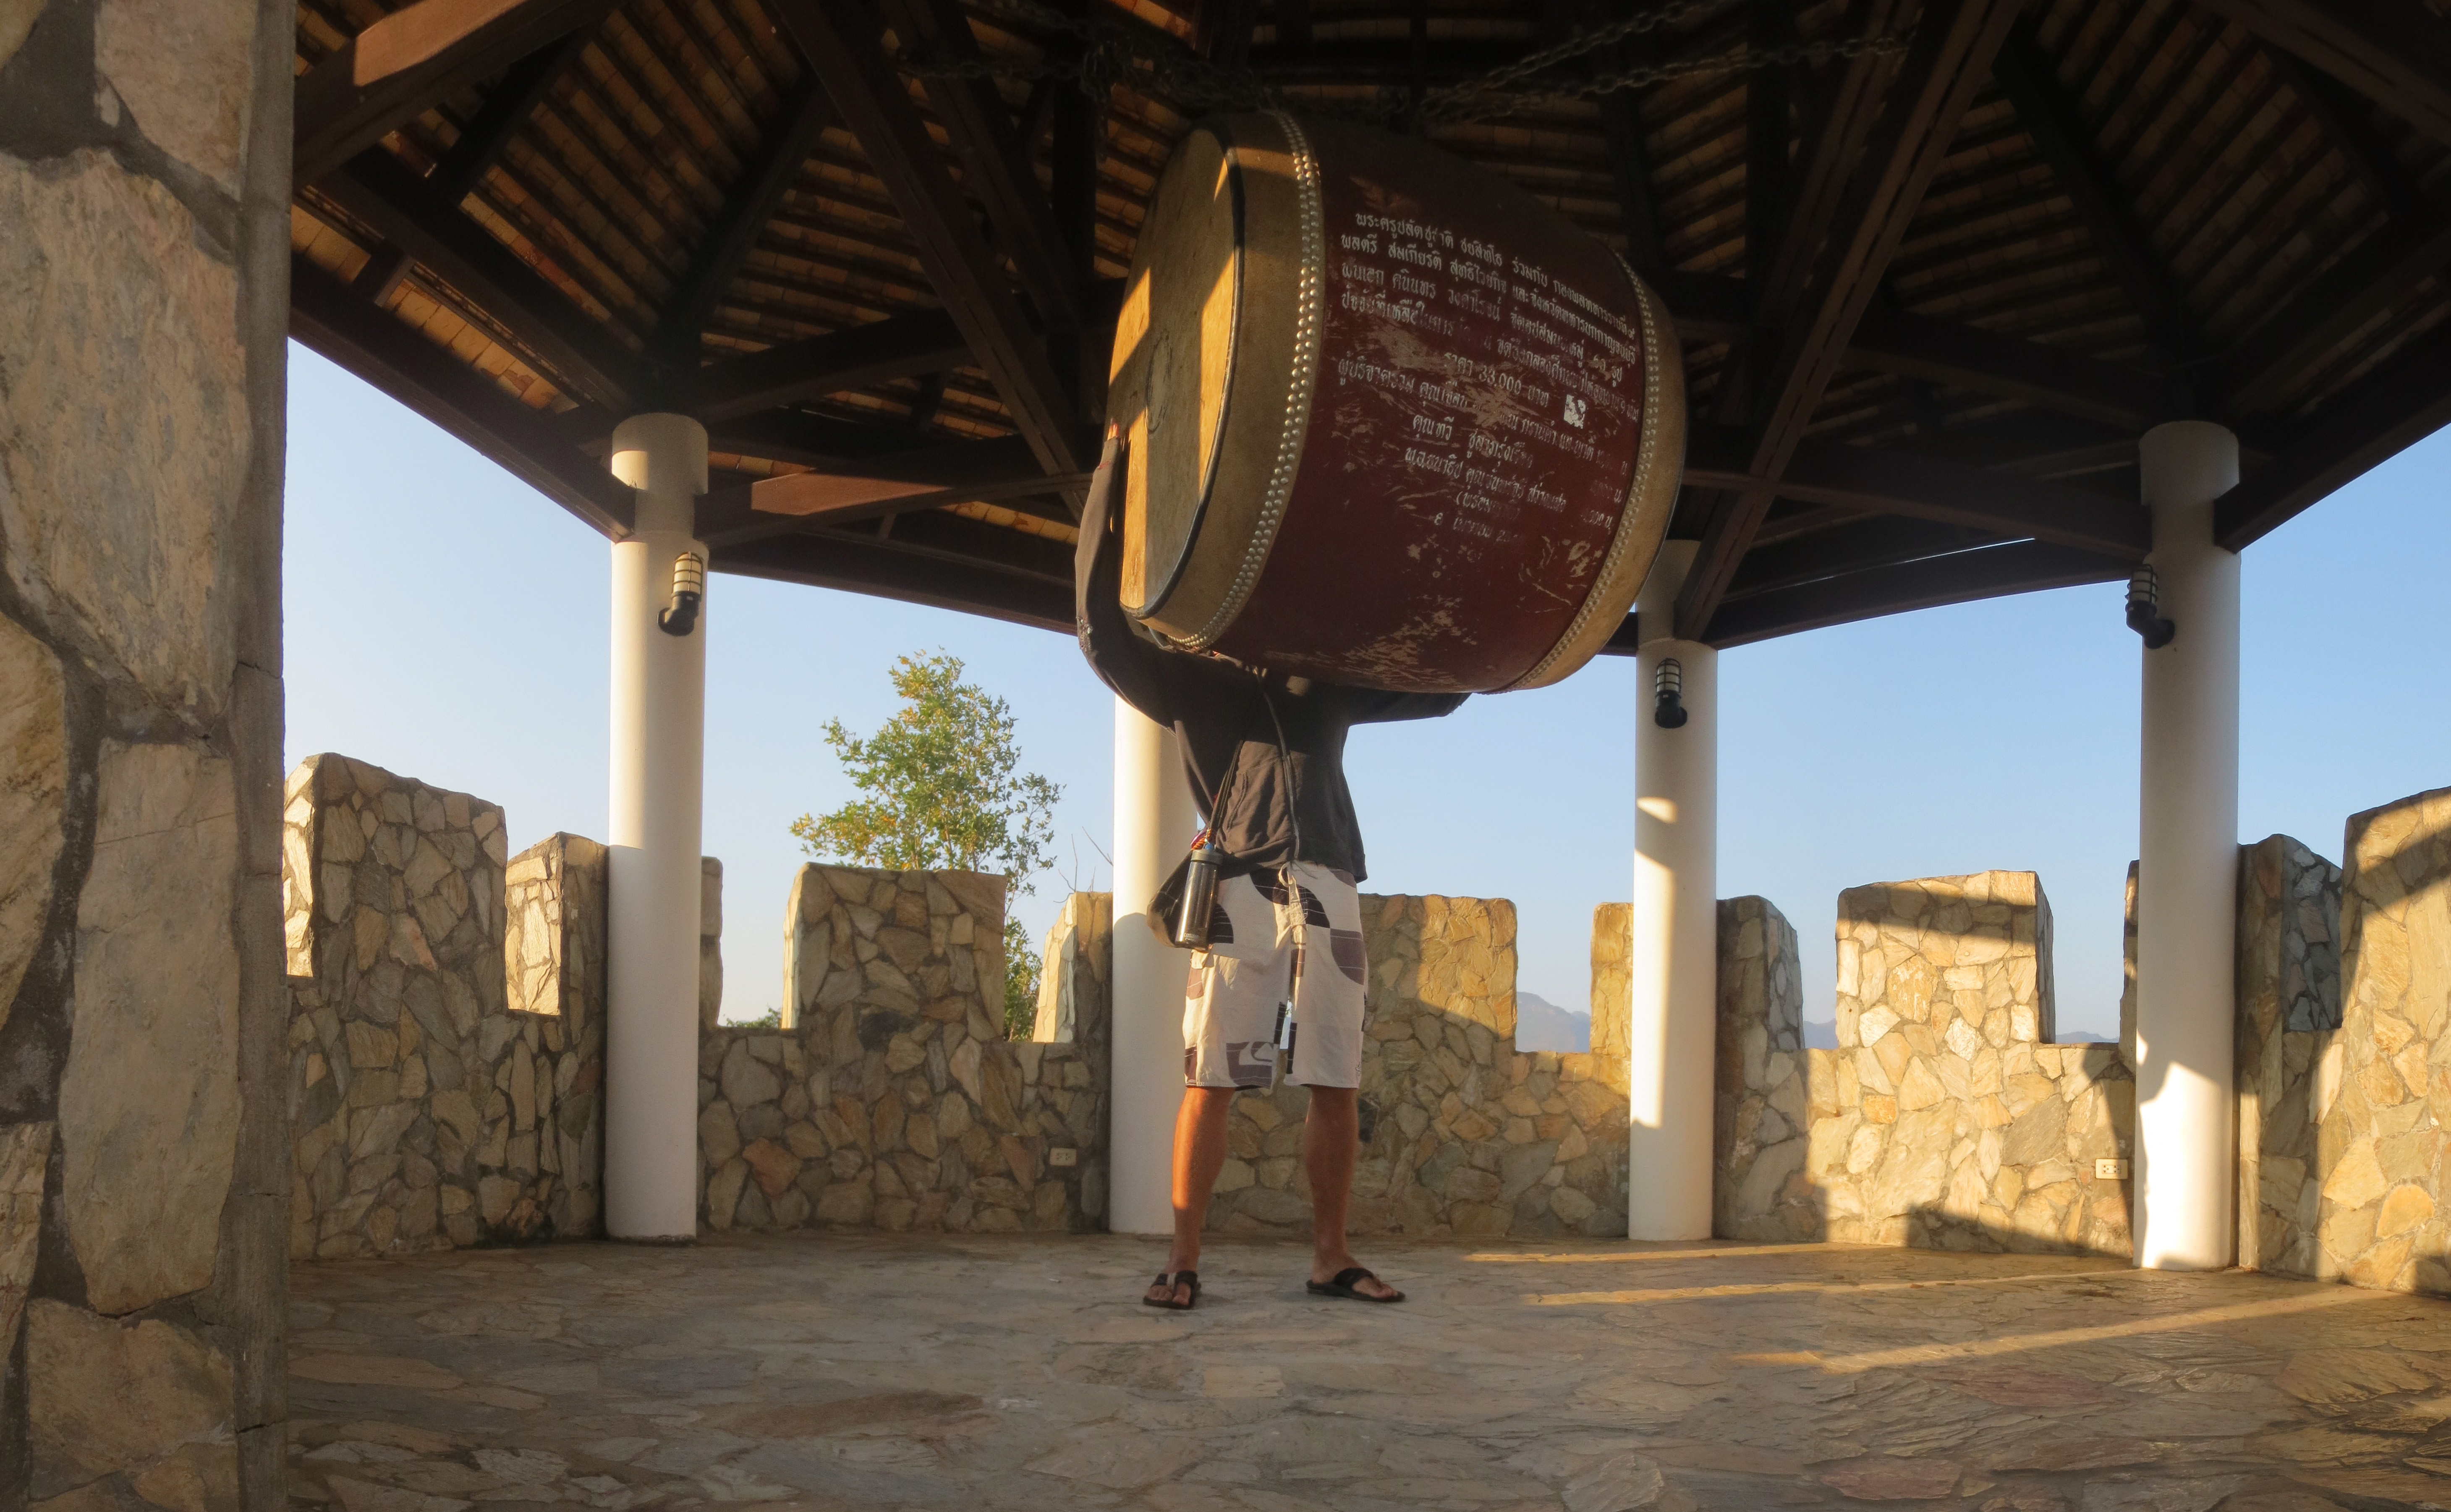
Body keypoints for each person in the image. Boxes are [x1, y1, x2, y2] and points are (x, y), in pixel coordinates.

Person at [1074, 424, 1468, 1311]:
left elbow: (1441, 687)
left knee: (1335, 1077)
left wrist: (1453, 548)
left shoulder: (1319, 676)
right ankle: (1182, 1258)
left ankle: (1331, 1256)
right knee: (1211, 1078)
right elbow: (1101, 634)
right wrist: (1110, 483)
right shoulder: (1188, 678)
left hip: (1329, 880)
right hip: (1238, 884)